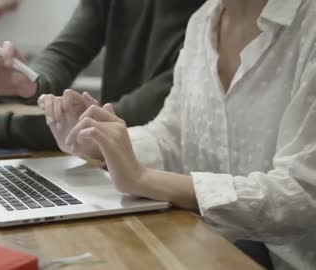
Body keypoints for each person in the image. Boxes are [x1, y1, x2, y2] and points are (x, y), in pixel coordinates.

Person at [39, 0, 316, 269]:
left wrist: (143, 179)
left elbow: (300, 195)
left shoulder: (309, 27)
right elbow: (170, 136)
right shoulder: (202, 22)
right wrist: (97, 141)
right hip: (214, 244)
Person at [0, 0, 205, 149]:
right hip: (110, 165)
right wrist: (30, 81)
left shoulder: (215, 15)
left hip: (173, 183)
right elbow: (64, 54)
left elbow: (127, 119)